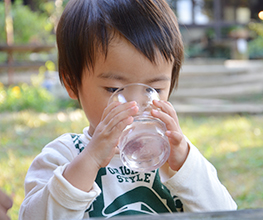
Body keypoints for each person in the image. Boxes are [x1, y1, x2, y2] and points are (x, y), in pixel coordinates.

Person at [19, 0, 237, 219]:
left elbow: (227, 214)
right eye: (114, 88)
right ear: (71, 82)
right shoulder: (62, 156)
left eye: (154, 88)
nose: (136, 106)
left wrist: (187, 165)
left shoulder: (176, 159)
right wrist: (90, 160)